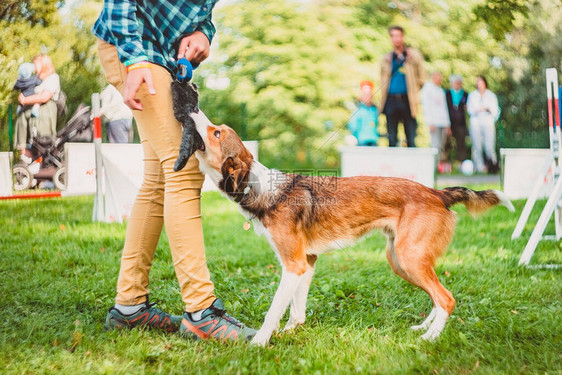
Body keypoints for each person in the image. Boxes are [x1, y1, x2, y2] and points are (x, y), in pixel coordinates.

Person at [93, 0, 256, 340]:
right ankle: (200, 311)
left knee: (158, 180)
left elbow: (202, 14)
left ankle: (129, 308)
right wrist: (135, 58)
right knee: (183, 169)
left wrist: (203, 34)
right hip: (135, 47)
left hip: (160, 58)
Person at [380, 25, 425, 147]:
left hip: (407, 100)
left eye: (398, 36)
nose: (396, 39)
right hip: (391, 100)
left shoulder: (413, 55)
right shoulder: (386, 58)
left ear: (403, 37)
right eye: (393, 36)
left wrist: (414, 91)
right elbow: (381, 79)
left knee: (411, 137)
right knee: (392, 138)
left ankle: (412, 165)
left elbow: (422, 78)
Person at [14, 54, 60, 156]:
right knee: (23, 132)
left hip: (44, 113)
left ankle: (41, 162)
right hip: (28, 113)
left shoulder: (53, 78)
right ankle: (25, 159)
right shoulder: (33, 79)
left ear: (44, 64)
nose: (34, 67)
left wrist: (25, 100)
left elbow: (44, 97)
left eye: (36, 64)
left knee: (41, 137)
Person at [467, 76, 500, 173]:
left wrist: (487, 108)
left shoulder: (491, 95)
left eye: (481, 82)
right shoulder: (472, 95)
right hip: (476, 123)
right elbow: (470, 109)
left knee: (489, 146)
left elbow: (495, 111)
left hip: (488, 123)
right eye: (478, 82)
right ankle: (480, 167)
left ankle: (492, 166)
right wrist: (479, 109)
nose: (479, 85)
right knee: (477, 146)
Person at [421, 71, 451, 171]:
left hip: (443, 122)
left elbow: (444, 108)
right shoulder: (427, 89)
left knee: (442, 146)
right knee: (435, 145)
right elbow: (426, 106)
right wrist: (430, 121)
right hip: (434, 122)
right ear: (433, 77)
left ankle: (439, 166)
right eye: (438, 76)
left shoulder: (441, 91)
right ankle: (433, 166)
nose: (440, 79)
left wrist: (448, 123)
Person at [347, 80, 379, 146]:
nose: (368, 97)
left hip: (373, 140)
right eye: (365, 95)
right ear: (361, 96)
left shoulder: (374, 110)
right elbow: (353, 126)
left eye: (369, 95)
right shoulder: (357, 110)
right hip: (361, 141)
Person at [445, 74, 469, 163]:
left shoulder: (465, 94)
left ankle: (461, 162)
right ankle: (446, 163)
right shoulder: (447, 93)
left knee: (461, 143)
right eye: (456, 83)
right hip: (449, 123)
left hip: (461, 123)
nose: (457, 84)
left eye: (459, 83)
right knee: (447, 144)